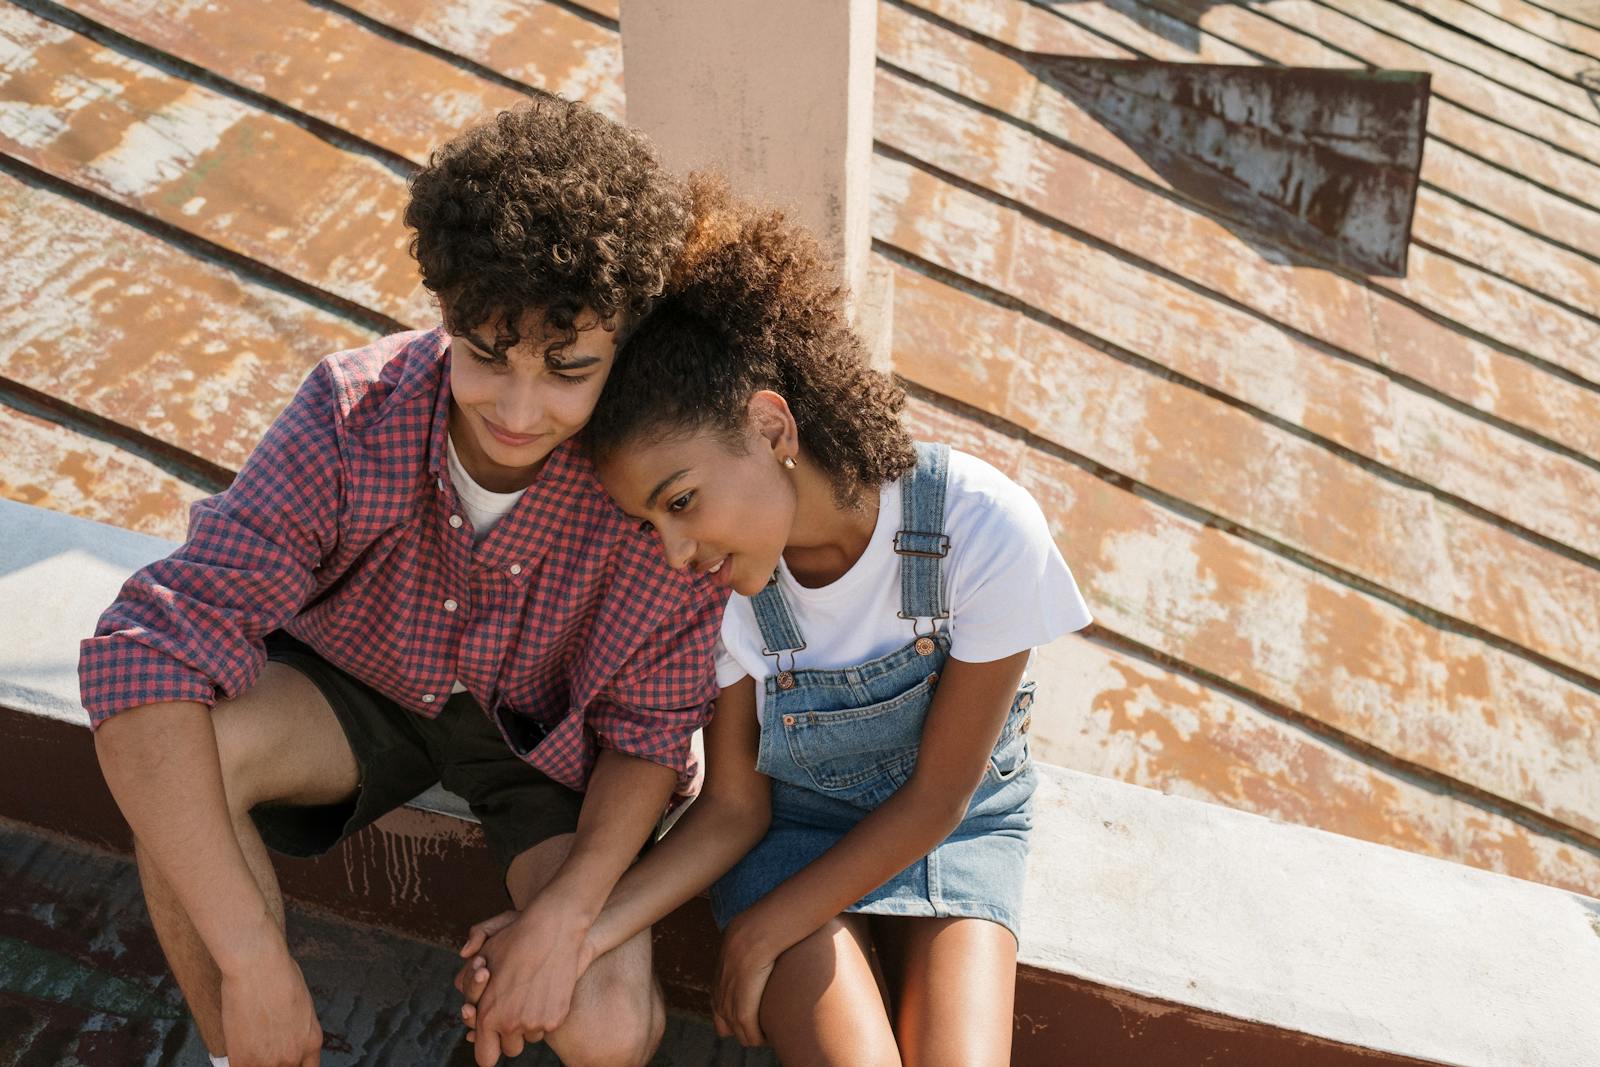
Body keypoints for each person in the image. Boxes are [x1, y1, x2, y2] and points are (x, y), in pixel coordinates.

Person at [79, 97, 725, 1067]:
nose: (516, 404)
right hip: (354, 684)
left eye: (567, 368)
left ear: (623, 340)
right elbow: (147, 656)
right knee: (185, 764)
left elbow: (647, 734)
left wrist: (566, 919)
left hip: (544, 750)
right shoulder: (354, 410)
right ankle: (241, 1049)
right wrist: (254, 959)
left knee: (608, 1020)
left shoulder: (658, 475)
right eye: (483, 352)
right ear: (444, 311)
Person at [529, 182, 1093, 1065]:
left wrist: (764, 934)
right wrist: (579, 936)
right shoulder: (717, 594)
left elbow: (942, 797)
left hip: (958, 826)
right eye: (652, 523)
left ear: (768, 422)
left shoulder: (981, 528)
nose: (675, 549)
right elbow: (733, 807)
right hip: (790, 836)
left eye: (682, 500)